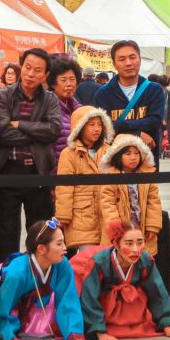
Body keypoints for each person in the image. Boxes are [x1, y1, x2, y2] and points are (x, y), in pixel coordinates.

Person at [0, 48, 62, 263]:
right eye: (27, 67)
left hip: (38, 172)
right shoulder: (3, 96)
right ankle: (4, 276)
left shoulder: (50, 99)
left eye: (37, 70)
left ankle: (40, 278)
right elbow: (2, 132)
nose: (30, 74)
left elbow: (53, 130)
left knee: (41, 234)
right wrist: (37, 133)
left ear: (46, 75)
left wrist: (20, 124)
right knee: (4, 234)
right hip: (7, 170)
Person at [73, 219, 170, 340]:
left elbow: (157, 292)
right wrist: (99, 331)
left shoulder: (145, 260)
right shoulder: (99, 262)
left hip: (133, 311)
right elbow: (89, 298)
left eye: (140, 242)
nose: (136, 249)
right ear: (116, 244)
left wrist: (166, 324)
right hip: (106, 311)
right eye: (129, 244)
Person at [0, 219, 89, 340]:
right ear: (41, 249)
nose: (65, 248)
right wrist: (10, 338)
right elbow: (5, 308)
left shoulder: (62, 264)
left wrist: (73, 332)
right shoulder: (16, 274)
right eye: (59, 244)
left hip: (36, 304)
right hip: (2, 297)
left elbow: (68, 299)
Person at [93, 40, 165, 164]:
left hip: (146, 162)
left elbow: (154, 122)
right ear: (114, 64)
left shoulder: (154, 90)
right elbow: (104, 129)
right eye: (122, 59)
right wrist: (137, 133)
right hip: (114, 164)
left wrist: (122, 126)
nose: (128, 63)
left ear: (140, 59)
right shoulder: (103, 94)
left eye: (132, 57)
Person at [54, 106, 115, 255]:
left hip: (107, 215)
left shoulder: (110, 150)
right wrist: (63, 217)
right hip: (81, 216)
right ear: (80, 127)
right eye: (92, 124)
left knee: (107, 260)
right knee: (87, 261)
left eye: (100, 125)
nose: (97, 129)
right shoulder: (69, 154)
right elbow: (64, 188)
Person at [99, 135, 163, 258]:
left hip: (142, 226)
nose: (133, 157)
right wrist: (116, 228)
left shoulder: (146, 174)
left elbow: (153, 200)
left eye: (136, 153)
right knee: (120, 259)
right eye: (128, 154)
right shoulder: (111, 176)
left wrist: (152, 225)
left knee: (142, 259)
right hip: (120, 230)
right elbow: (108, 204)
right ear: (118, 156)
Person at [48, 57, 83, 171]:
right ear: (53, 84)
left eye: (72, 79)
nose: (69, 84)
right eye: (63, 80)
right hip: (55, 174)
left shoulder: (79, 109)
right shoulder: (46, 108)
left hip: (77, 173)